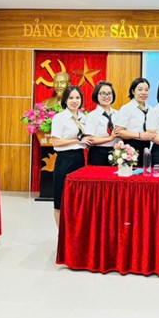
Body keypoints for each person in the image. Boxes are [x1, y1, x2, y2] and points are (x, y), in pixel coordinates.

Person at [50, 85, 91, 226]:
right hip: (64, 160)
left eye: (77, 98)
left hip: (80, 160)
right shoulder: (59, 118)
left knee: (77, 200)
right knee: (60, 201)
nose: (75, 101)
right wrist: (77, 141)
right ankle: (61, 234)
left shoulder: (84, 118)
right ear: (65, 100)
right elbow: (55, 142)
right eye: (71, 98)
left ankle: (74, 232)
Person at [115, 77, 155, 159]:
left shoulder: (151, 110)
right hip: (130, 148)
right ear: (133, 91)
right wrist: (139, 135)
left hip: (147, 148)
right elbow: (118, 132)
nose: (143, 92)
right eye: (140, 89)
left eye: (146, 90)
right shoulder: (126, 108)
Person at [84, 81, 118, 166]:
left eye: (109, 93)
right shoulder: (92, 116)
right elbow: (90, 140)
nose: (107, 96)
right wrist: (110, 138)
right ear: (96, 95)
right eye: (103, 93)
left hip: (116, 153)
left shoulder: (118, 114)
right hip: (98, 153)